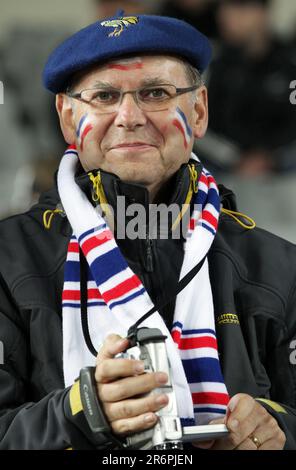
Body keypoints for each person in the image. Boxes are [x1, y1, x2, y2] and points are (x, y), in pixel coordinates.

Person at [0, 12, 295, 451]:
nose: (129, 116)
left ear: (198, 111)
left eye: (156, 93)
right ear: (66, 118)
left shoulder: (278, 265)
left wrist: (278, 430)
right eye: (103, 96)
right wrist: (78, 410)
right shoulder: (7, 260)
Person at [206, 0, 296, 174]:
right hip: (225, 169)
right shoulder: (212, 63)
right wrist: (236, 159)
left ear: (262, 12)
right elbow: (200, 126)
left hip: (285, 171)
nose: (225, 16)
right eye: (222, 8)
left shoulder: (290, 63)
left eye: (239, 7)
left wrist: (271, 157)